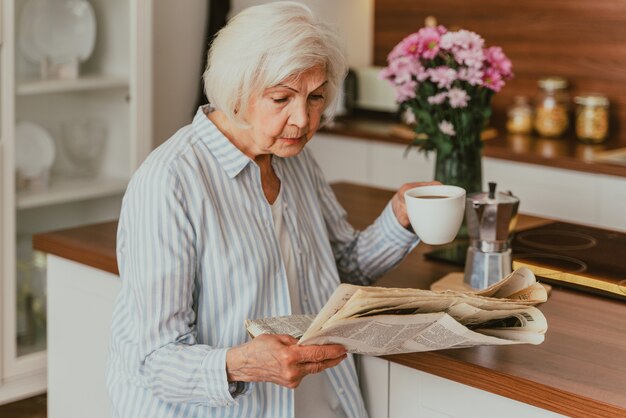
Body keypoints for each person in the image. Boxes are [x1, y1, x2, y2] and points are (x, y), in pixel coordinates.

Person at [106, 2, 436, 417]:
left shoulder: (293, 158)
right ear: (236, 92)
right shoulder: (170, 181)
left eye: (316, 97)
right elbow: (153, 360)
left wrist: (399, 217)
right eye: (281, 98)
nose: (303, 118)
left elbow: (338, 274)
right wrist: (240, 364)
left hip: (316, 402)